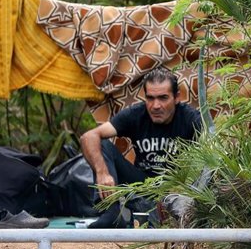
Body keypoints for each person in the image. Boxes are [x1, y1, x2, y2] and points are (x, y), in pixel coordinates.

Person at [80, 67, 202, 226]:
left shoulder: (190, 117)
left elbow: (214, 147)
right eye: (150, 98)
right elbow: (88, 137)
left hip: (176, 187)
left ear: (177, 97)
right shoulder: (136, 114)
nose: (155, 105)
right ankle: (111, 213)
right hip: (141, 185)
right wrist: (102, 173)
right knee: (101, 145)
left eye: (163, 98)